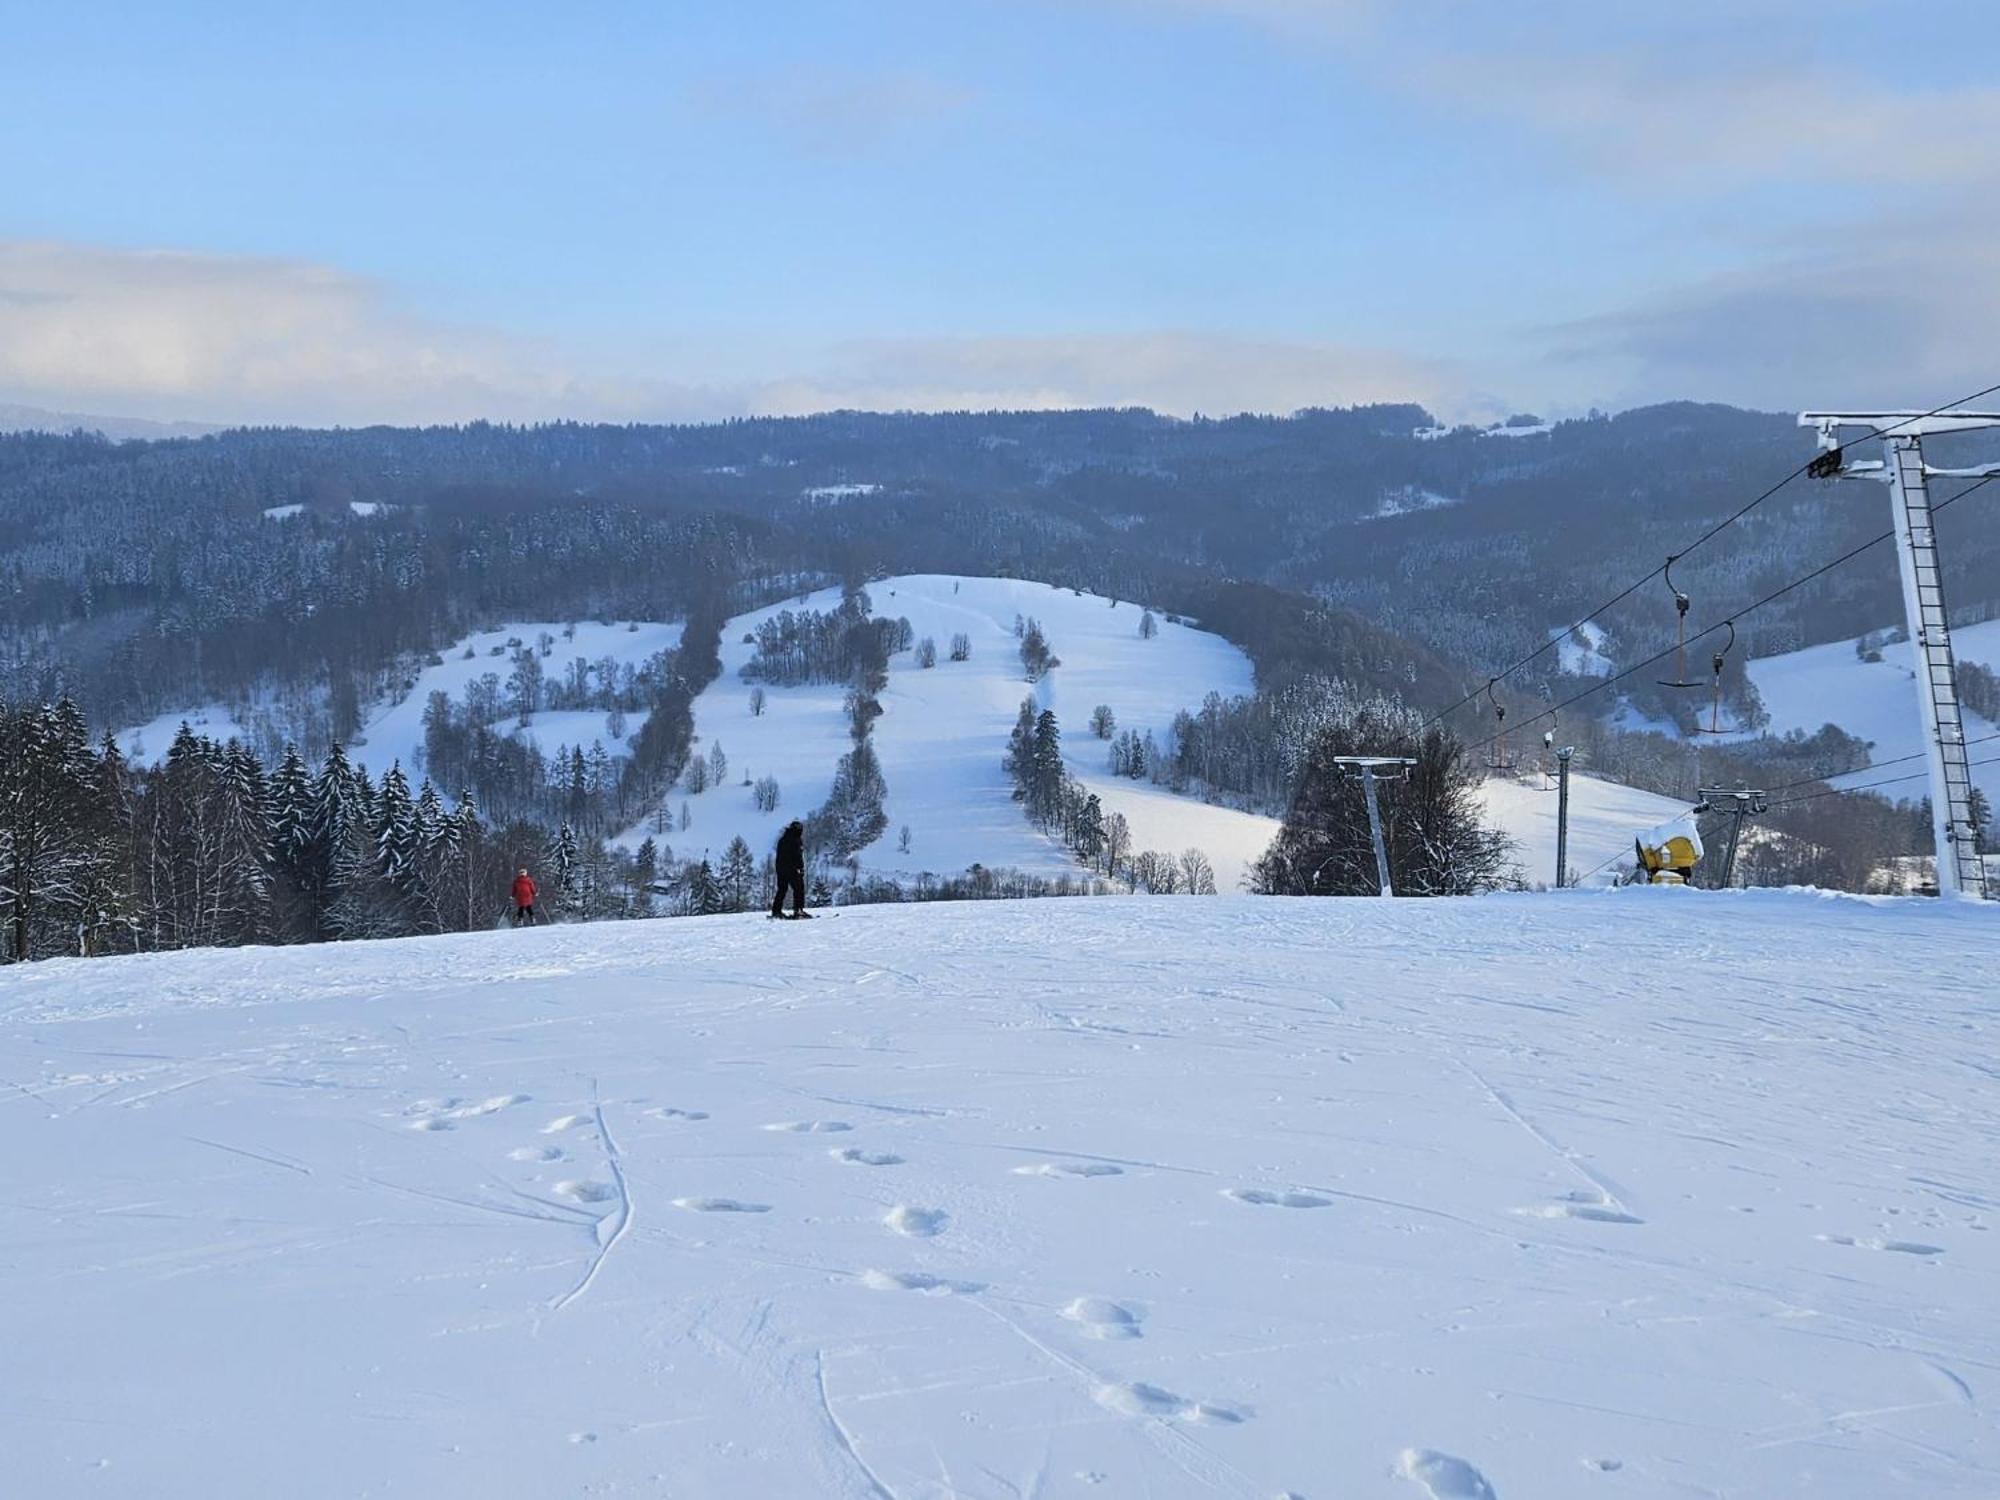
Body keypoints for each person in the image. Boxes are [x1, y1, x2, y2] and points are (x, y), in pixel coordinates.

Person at [770, 820, 811, 919]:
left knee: (782, 889)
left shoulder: (783, 839)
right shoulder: (796, 840)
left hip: (781, 869)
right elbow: (797, 856)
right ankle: (798, 910)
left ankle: (776, 911)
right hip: (792, 869)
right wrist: (800, 868)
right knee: (799, 889)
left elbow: (779, 856)